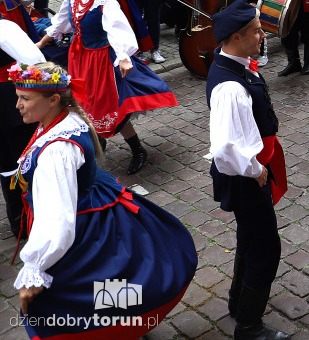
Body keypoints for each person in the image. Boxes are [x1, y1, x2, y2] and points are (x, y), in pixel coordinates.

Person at [10, 62, 196, 339]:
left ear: (53, 100)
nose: (17, 105)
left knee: (85, 290)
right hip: (103, 213)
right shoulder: (68, 119)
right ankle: (129, 319)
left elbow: (57, 218)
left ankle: (117, 326)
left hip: (84, 226)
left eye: (25, 98)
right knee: (115, 278)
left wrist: (35, 267)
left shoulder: (57, 151)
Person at [37, 0, 177, 174]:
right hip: (79, 58)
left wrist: (122, 57)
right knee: (83, 105)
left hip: (100, 60)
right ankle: (97, 143)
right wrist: (42, 42)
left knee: (108, 107)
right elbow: (62, 23)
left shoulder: (105, 0)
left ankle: (137, 149)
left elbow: (118, 30)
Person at [206, 0, 290, 340]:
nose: (261, 35)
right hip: (245, 177)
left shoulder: (236, 64)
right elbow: (225, 147)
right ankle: (249, 326)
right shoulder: (229, 86)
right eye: (256, 30)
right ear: (237, 37)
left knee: (249, 238)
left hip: (249, 171)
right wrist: (255, 169)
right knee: (265, 247)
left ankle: (238, 302)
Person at [0, 20, 45, 237]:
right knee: (27, 155)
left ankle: (19, 221)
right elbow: (34, 61)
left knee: (6, 162)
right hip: (9, 100)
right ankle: (36, 216)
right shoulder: (4, 27)